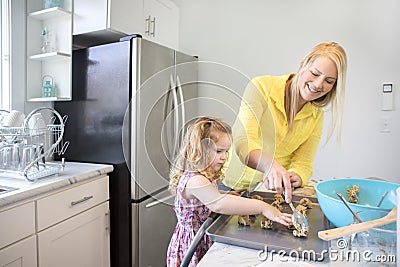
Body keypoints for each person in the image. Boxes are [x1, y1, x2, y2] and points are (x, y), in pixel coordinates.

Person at [221, 42, 348, 203]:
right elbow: (242, 142)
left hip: (270, 193)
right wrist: (270, 166)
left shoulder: (316, 115)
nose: (318, 85)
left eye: (329, 81)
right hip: (232, 187)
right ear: (303, 65)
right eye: (315, 73)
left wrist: (297, 176)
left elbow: (303, 163)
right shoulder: (261, 87)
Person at [166, 117, 292, 267]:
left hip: (203, 235)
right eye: (219, 151)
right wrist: (263, 207)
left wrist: (224, 194)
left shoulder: (202, 176)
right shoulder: (194, 180)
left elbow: (208, 197)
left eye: (226, 151)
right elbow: (218, 204)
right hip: (192, 243)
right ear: (200, 150)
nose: (224, 157)